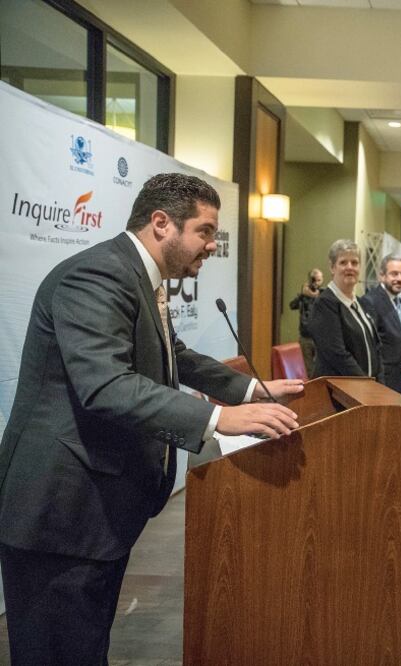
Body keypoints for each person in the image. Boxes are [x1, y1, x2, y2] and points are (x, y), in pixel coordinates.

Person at [0, 173, 304, 665]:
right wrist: (218, 418)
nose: (213, 245)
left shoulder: (138, 276)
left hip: (96, 511)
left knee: (85, 649)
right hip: (60, 514)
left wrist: (251, 389)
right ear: (162, 223)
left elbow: (170, 353)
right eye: (205, 231)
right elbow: (106, 385)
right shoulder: (97, 276)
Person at [309, 239, 382, 380]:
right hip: (339, 389)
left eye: (354, 263)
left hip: (369, 388)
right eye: (343, 262)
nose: (350, 267)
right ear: (332, 267)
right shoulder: (324, 304)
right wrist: (367, 384)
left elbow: (376, 348)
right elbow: (337, 355)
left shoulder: (363, 303)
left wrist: (380, 382)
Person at [360, 255, 401, 394]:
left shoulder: (400, 301)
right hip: (381, 379)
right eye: (394, 274)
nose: (399, 278)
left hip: (398, 375)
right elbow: (370, 346)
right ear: (382, 276)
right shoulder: (370, 301)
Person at [289, 267, 323, 376]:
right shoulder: (304, 296)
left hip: (319, 338)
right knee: (308, 369)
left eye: (319, 280)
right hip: (306, 337)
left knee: (320, 369)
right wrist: (302, 295)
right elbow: (292, 305)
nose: (316, 283)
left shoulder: (323, 295)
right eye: (314, 280)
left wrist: (316, 295)